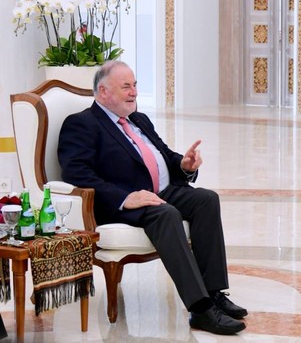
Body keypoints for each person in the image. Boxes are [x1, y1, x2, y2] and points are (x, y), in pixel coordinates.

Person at [58, 61, 246, 335]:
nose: (134, 91)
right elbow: (76, 173)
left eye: (135, 85)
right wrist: (125, 197)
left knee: (207, 199)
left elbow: (163, 155)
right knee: (166, 213)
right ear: (103, 91)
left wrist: (184, 164)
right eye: (126, 86)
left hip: (161, 192)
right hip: (124, 203)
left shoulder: (138, 119)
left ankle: (215, 292)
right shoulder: (82, 124)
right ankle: (201, 308)